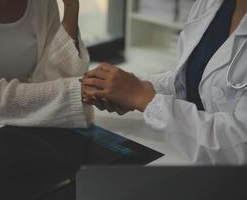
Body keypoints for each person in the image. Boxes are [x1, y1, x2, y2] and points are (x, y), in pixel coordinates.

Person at [81, 0, 247, 164]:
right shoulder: (212, 4)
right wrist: (137, 89)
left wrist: (144, 99)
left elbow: (239, 145)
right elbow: (190, 79)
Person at [0, 0, 93, 128]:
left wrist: (71, 6)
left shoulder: (42, 3)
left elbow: (53, 78)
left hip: (31, 125)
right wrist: (79, 92)